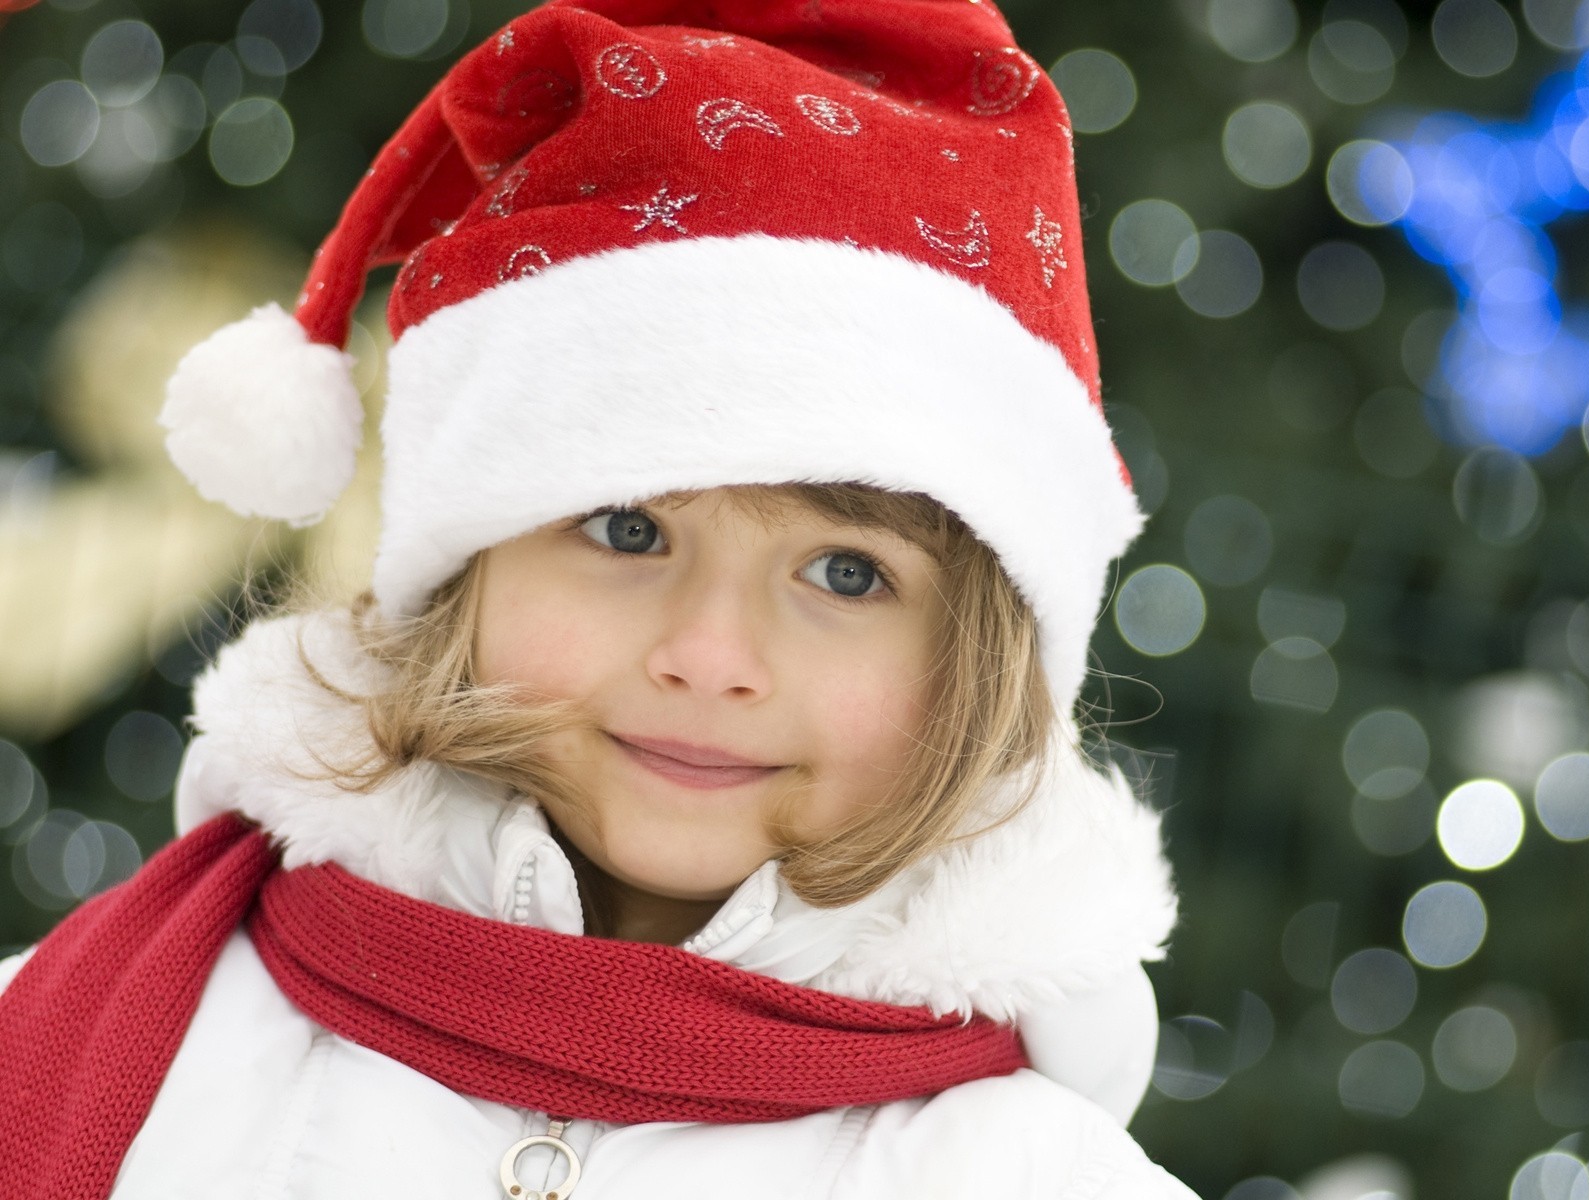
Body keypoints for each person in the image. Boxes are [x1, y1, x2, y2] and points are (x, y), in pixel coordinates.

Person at [0, 1, 1195, 1196]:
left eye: (846, 573)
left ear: (983, 664)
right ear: (462, 565)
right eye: (629, 530)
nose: (711, 654)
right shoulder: (92, 1035)